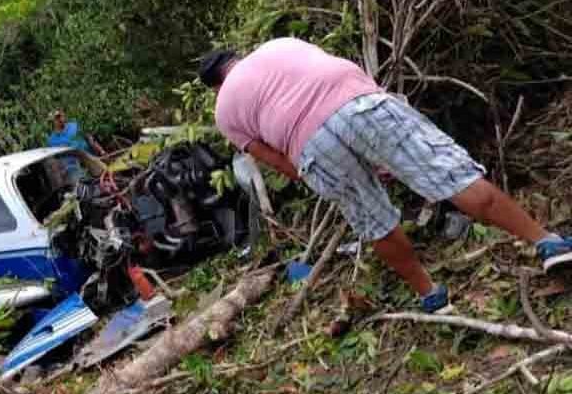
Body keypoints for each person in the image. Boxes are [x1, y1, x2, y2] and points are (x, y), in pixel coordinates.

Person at [198, 37, 572, 312]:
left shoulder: (224, 112)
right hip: (358, 104)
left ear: (216, 85)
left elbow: (277, 161)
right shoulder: (278, 45)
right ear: (238, 58)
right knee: (450, 175)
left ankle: (431, 296)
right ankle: (546, 243)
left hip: (309, 146)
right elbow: (339, 68)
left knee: (374, 222)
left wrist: (318, 172)